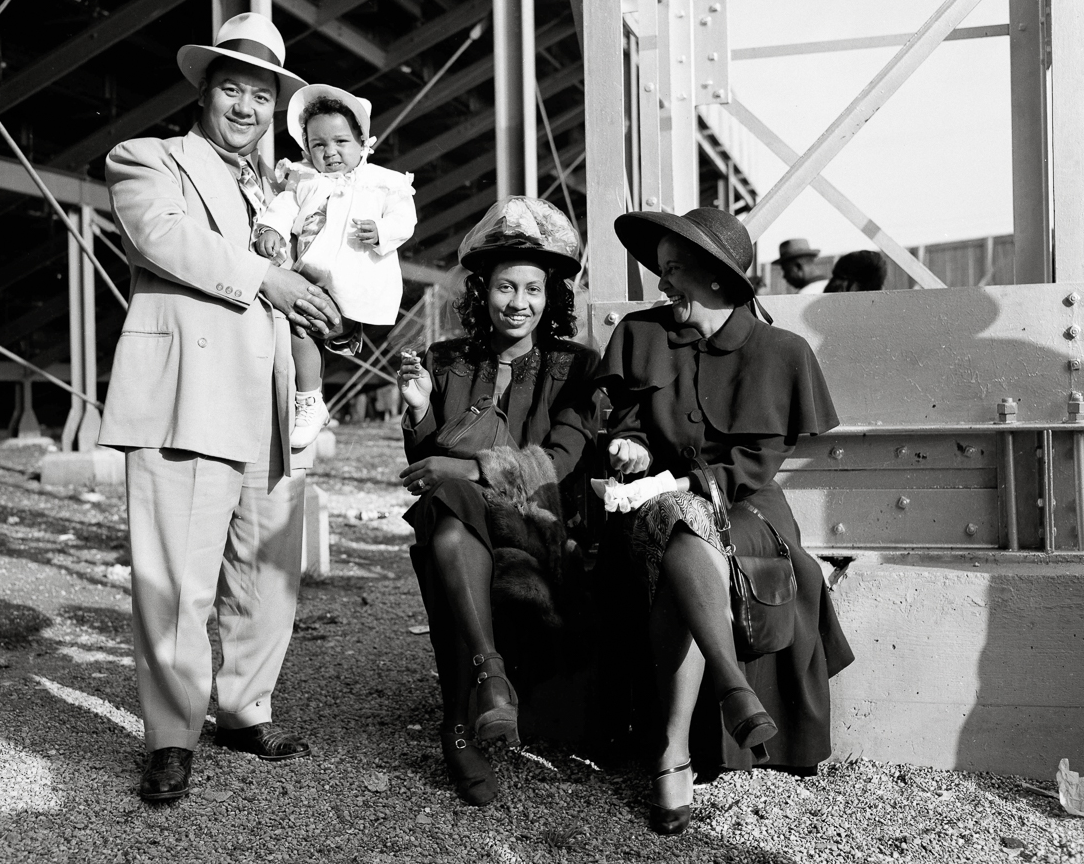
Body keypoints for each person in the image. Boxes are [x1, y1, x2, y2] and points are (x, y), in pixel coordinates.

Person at [99, 12, 349, 803]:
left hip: (276, 399)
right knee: (177, 579)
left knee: (267, 572)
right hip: (189, 396)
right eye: (232, 88)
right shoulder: (148, 159)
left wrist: (324, 297)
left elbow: (323, 265)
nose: (246, 107)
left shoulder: (285, 183)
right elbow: (165, 240)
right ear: (204, 91)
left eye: (261, 95)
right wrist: (270, 278)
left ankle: (244, 707)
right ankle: (172, 733)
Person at [596, 208, 854, 835]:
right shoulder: (640, 335)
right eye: (661, 270)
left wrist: (687, 483)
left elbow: (756, 466)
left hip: (747, 506)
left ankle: (672, 754)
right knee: (680, 525)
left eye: (674, 270)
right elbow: (627, 425)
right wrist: (628, 448)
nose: (662, 284)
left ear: (716, 278)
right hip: (650, 503)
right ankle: (735, 688)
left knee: (689, 531)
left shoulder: (781, 352)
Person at [396, 197, 598, 807]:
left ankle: (462, 714)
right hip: (461, 524)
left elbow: (558, 464)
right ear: (482, 292)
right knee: (448, 520)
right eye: (505, 287)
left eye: (532, 289)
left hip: (542, 527)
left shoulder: (577, 365)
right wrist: (419, 409)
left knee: (447, 511)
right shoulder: (447, 361)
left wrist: (464, 467)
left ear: (550, 295)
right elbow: (425, 461)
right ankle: (483, 686)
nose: (518, 303)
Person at [253, 85, 417, 447]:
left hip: (358, 279)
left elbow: (405, 218)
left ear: (363, 142)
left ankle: (345, 336)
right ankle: (311, 400)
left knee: (328, 323)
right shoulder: (305, 180)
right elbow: (283, 208)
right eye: (318, 145)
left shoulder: (382, 182)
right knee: (300, 327)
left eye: (341, 142)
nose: (330, 154)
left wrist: (383, 231)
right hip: (311, 275)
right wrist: (271, 229)